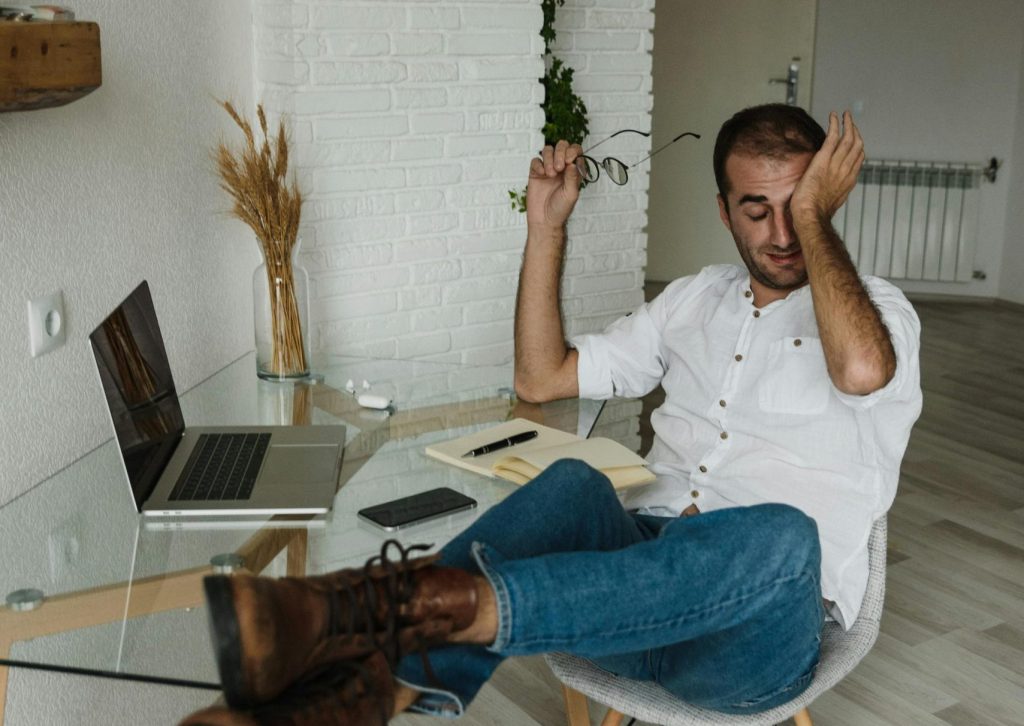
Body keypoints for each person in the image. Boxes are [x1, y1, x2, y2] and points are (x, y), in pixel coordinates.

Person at [180, 105, 922, 726]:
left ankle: (391, 606)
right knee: (571, 486)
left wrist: (814, 214)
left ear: (826, 201)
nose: (783, 235)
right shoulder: (694, 300)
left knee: (783, 533)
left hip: (749, 633)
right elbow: (541, 376)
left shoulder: (879, 314)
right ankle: (361, 695)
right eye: (758, 211)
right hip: (619, 605)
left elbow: (859, 372)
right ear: (724, 210)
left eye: (800, 208)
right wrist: (547, 230)